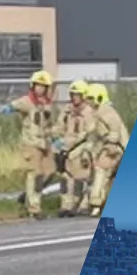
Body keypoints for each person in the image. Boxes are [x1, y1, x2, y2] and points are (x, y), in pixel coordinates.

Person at [0, 70, 60, 220]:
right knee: (35, 174)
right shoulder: (27, 101)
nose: (40, 89)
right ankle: (34, 208)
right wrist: (9, 109)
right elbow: (14, 105)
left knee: (50, 172)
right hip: (31, 143)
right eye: (38, 86)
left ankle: (28, 196)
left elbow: (50, 124)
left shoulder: (48, 105)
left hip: (45, 143)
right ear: (33, 86)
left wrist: (54, 138)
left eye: (44, 86)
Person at [84, 82, 130, 217]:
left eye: (91, 98)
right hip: (111, 148)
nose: (89, 102)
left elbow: (114, 134)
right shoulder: (98, 112)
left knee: (101, 172)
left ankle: (96, 203)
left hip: (114, 149)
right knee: (108, 178)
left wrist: (108, 145)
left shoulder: (106, 112)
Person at [59, 81, 95, 216]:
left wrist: (73, 143)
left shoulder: (89, 112)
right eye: (72, 94)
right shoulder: (67, 111)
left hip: (81, 149)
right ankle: (66, 206)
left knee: (82, 179)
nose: (74, 97)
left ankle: (82, 205)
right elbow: (59, 126)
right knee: (65, 179)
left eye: (77, 95)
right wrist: (56, 138)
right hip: (66, 150)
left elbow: (89, 132)